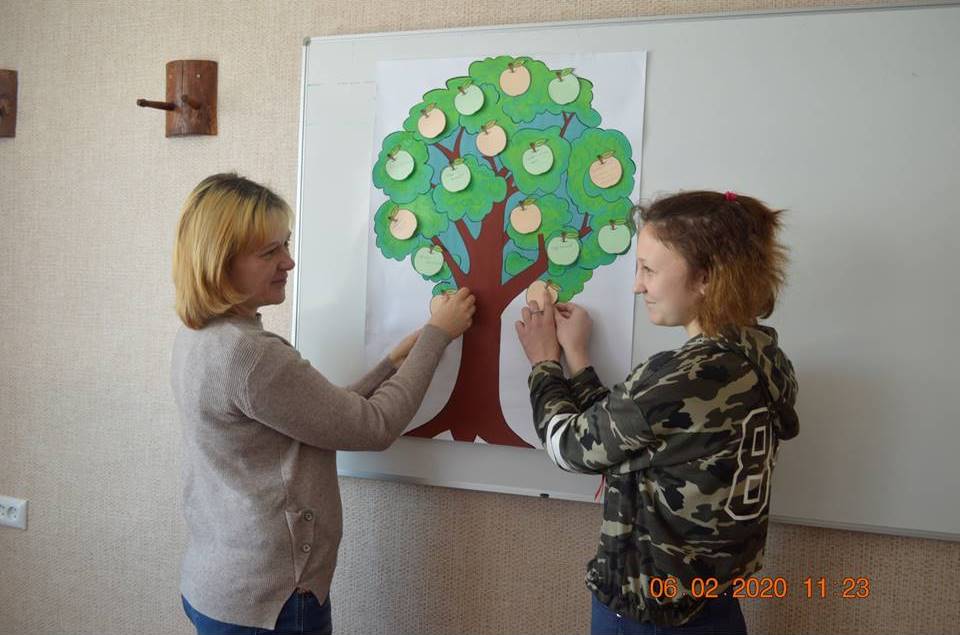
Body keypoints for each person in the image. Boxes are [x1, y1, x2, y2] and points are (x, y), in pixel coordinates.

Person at [170, 173, 475, 635]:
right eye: (269, 252)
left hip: (219, 585)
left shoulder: (201, 337)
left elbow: (314, 413)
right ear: (220, 261)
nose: (289, 262)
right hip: (270, 603)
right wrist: (437, 335)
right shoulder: (250, 355)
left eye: (286, 244)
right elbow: (373, 427)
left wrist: (390, 364)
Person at [515, 190, 799, 634]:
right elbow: (633, 435)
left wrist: (544, 363)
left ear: (705, 277)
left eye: (648, 269)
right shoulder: (761, 359)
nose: (637, 285)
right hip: (715, 606)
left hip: (648, 614)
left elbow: (569, 447)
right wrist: (579, 360)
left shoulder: (684, 376)